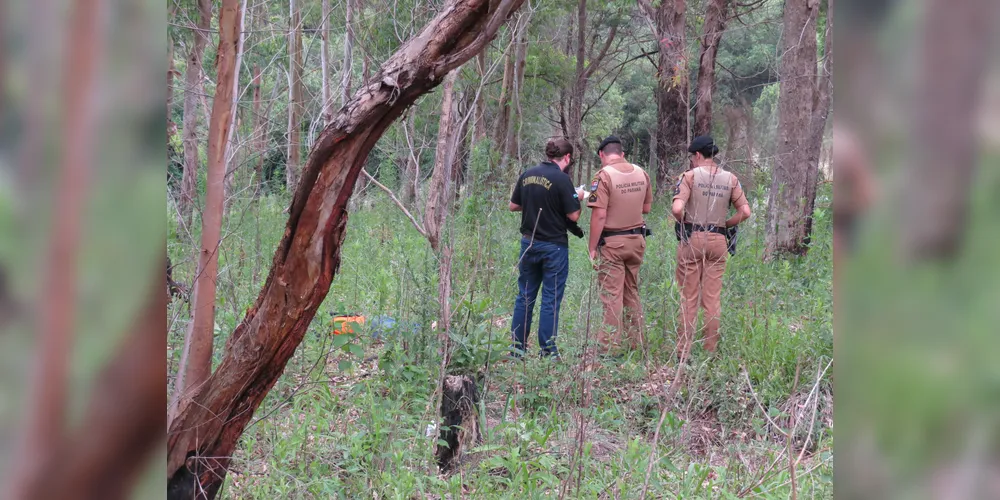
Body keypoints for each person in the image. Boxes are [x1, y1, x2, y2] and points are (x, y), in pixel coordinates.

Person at [671, 135, 751, 358]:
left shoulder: (689, 177)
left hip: (693, 237)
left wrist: (683, 220)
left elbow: (677, 209)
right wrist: (725, 225)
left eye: (692, 157)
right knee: (712, 298)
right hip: (718, 240)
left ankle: (683, 351)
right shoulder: (731, 178)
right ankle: (709, 351)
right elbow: (745, 212)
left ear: (697, 155)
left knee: (689, 297)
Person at [508, 137, 582, 358]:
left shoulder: (528, 174)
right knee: (550, 298)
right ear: (567, 157)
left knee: (525, 296)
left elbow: (513, 205)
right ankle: (548, 352)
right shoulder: (562, 179)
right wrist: (578, 197)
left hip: (528, 243)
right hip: (553, 247)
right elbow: (574, 214)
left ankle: (516, 350)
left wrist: (534, 201)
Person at [585, 136, 652, 354]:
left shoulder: (603, 176)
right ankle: (636, 343)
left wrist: (592, 247)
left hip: (613, 244)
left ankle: (610, 349)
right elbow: (647, 208)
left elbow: (599, 216)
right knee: (631, 292)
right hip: (637, 241)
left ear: (601, 155)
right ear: (622, 154)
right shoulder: (642, 173)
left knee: (611, 295)